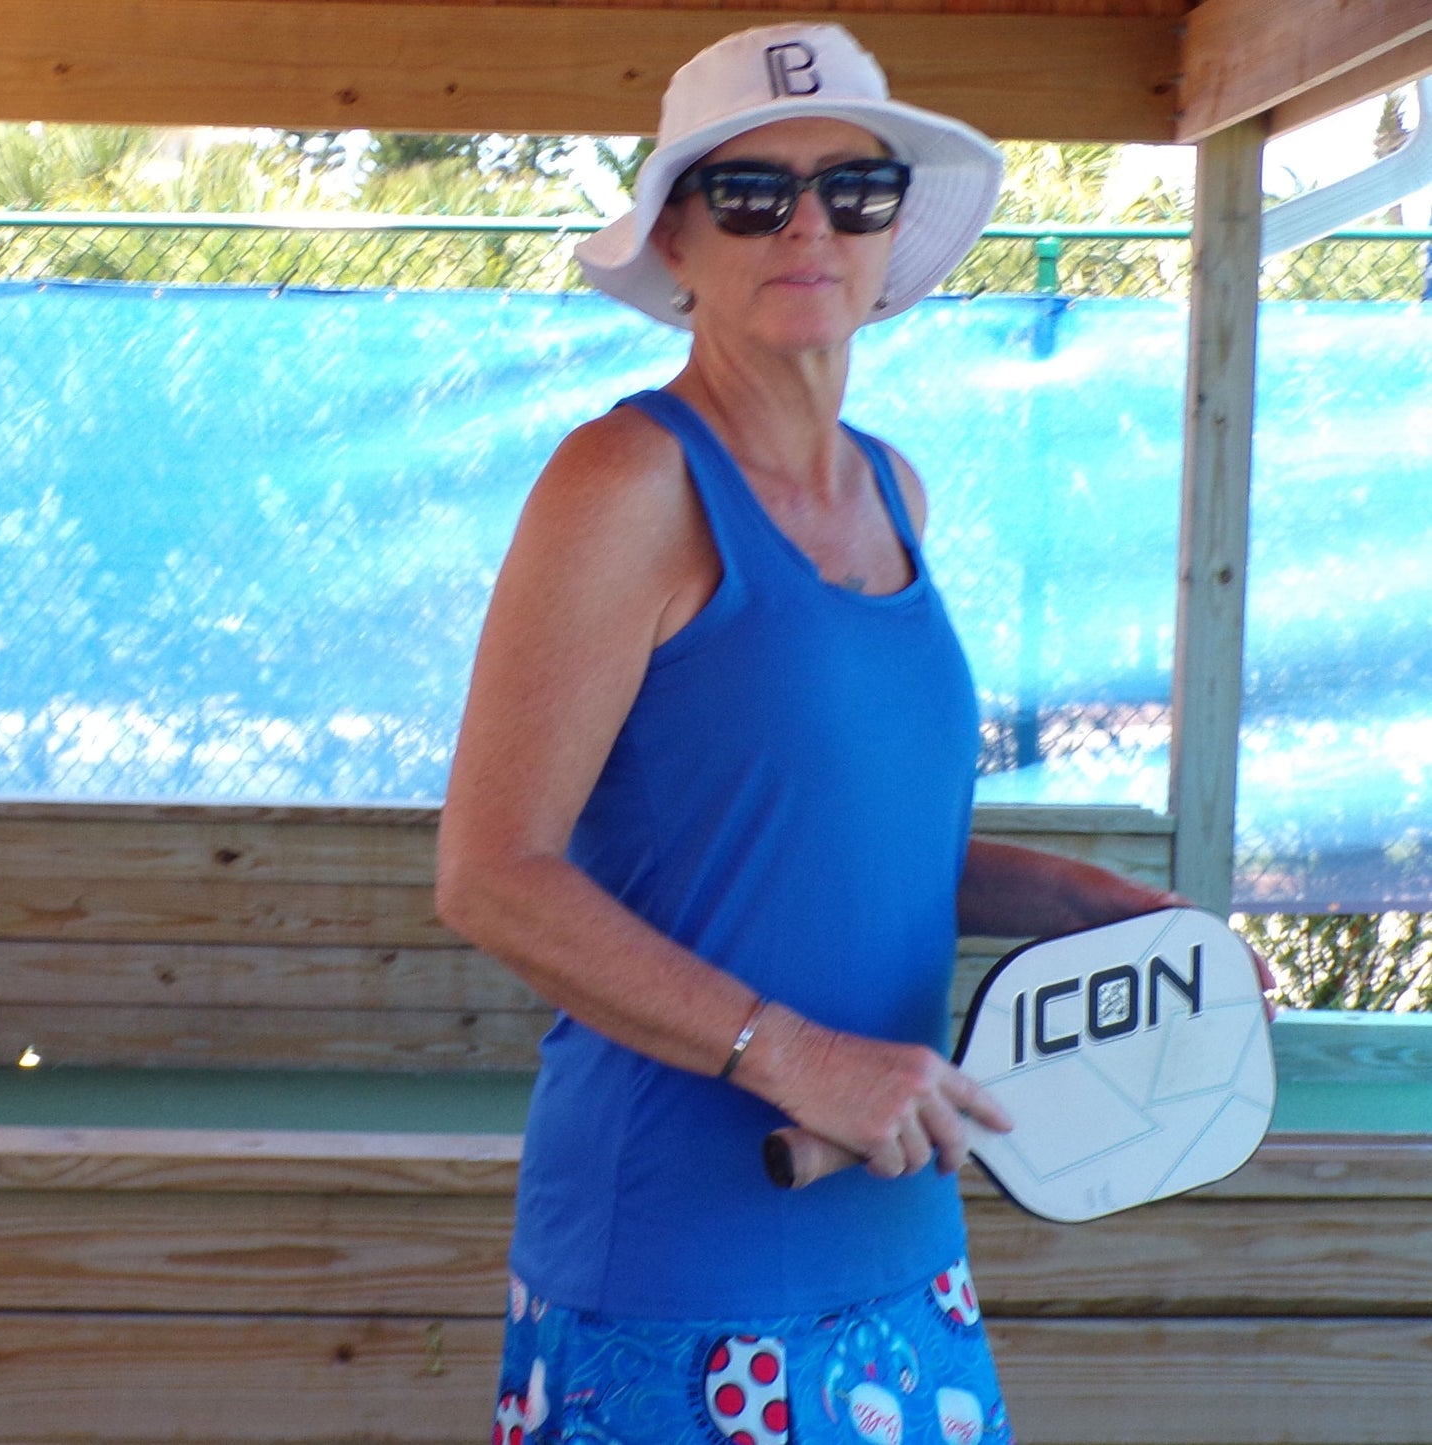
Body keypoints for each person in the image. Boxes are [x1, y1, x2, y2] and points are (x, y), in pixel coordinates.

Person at [436, 22, 1179, 1444]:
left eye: (855, 188)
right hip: (676, 1267)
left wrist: (1088, 905)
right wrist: (789, 1051)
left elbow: (848, 834)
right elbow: (491, 870)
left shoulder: (895, 489)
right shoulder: (625, 481)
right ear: (676, 241)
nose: (809, 225)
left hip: (901, 1245)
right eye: (751, 193)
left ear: (892, 233)